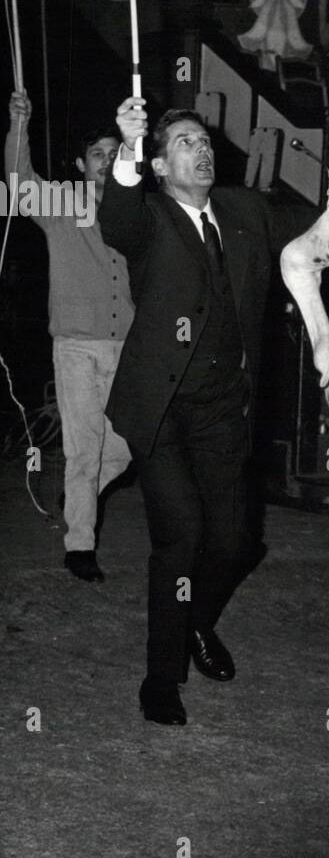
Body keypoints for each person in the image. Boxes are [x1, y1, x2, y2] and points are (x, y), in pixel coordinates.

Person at [101, 97, 311, 726]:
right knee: (181, 533)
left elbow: (320, 225)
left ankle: (196, 622)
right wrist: (129, 148)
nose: (203, 149)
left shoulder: (244, 211)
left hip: (224, 408)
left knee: (236, 540)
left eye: (205, 140)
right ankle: (161, 679)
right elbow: (117, 220)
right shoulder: (148, 216)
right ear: (162, 166)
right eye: (186, 142)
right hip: (161, 410)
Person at [4, 91, 132, 581]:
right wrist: (21, 126)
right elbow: (19, 183)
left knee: (125, 447)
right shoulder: (63, 205)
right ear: (81, 164)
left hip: (129, 347)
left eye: (113, 152)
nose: (105, 160)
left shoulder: (136, 210)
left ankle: (81, 493)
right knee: (84, 446)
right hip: (77, 345)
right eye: (97, 154)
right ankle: (80, 545)